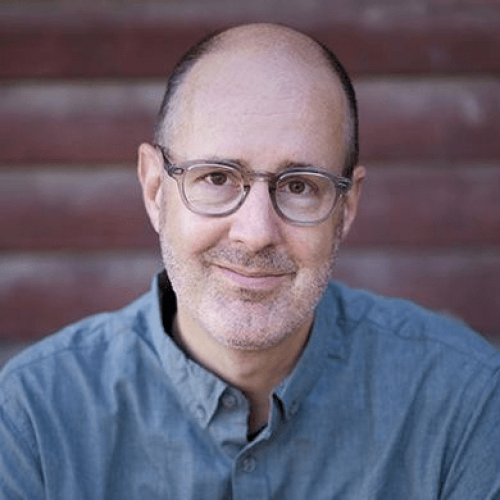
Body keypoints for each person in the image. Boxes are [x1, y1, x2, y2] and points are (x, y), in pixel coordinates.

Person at [1, 23, 499, 499]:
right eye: (217, 178)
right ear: (155, 189)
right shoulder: (32, 420)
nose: (257, 233)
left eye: (300, 185)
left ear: (346, 209)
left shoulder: (466, 403)